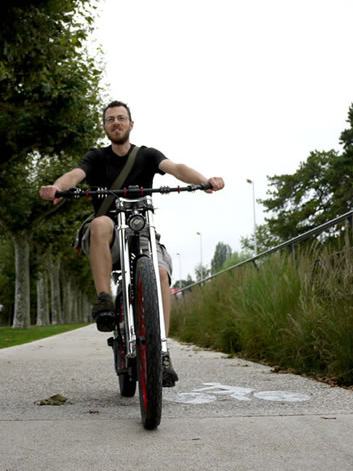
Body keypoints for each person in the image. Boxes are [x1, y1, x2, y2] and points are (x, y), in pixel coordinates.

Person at [39, 100, 224, 387]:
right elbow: (75, 175)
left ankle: (162, 353)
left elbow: (175, 168)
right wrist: (58, 187)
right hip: (108, 238)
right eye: (110, 119)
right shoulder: (96, 157)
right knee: (100, 222)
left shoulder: (147, 155)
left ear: (131, 124)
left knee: (161, 274)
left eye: (121, 118)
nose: (116, 122)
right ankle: (104, 301)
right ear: (104, 126)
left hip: (141, 233)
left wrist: (204, 181)